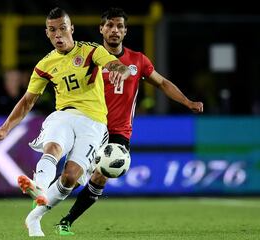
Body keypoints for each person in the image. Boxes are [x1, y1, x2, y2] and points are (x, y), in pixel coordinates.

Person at [0, 7, 130, 237]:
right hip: (64, 115)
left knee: (70, 177)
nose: (58, 34)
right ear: (47, 34)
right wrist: (5, 128)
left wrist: (120, 70)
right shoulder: (45, 65)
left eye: (62, 28)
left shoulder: (92, 51)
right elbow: (27, 101)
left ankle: (34, 218)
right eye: (53, 30)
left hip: (93, 123)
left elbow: (113, 64)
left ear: (71, 28)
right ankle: (39, 186)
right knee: (53, 148)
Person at [56, 7, 204, 236]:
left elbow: (162, 83)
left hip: (119, 131)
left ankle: (67, 221)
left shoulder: (138, 60)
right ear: (101, 29)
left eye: (120, 26)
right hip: (90, 125)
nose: (115, 30)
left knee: (100, 175)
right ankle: (43, 200)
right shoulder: (89, 58)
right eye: (110, 26)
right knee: (71, 177)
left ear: (125, 32)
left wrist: (187, 102)